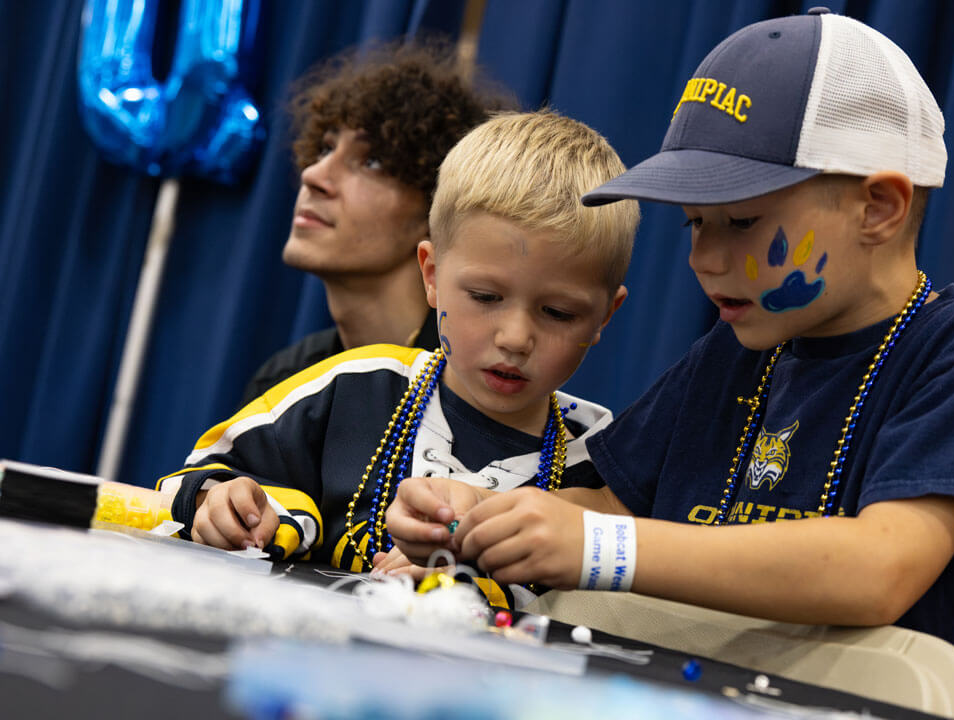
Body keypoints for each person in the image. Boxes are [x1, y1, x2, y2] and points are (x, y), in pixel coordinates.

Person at [385, 10, 954, 664]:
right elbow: (607, 502)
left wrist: (596, 545)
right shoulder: (737, 349)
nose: (704, 258)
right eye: (694, 225)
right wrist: (482, 515)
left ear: (879, 208)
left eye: (742, 221)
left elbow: (880, 570)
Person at [157, 112, 637, 588]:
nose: (515, 338)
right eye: (486, 298)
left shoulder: (599, 469)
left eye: (557, 313)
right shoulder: (353, 387)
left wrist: (470, 577)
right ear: (431, 275)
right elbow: (195, 475)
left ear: (604, 317)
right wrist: (222, 503)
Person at [239, 41, 506, 407]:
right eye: (324, 150)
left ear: (435, 209)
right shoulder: (286, 382)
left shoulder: (480, 391)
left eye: (372, 162)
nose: (314, 175)